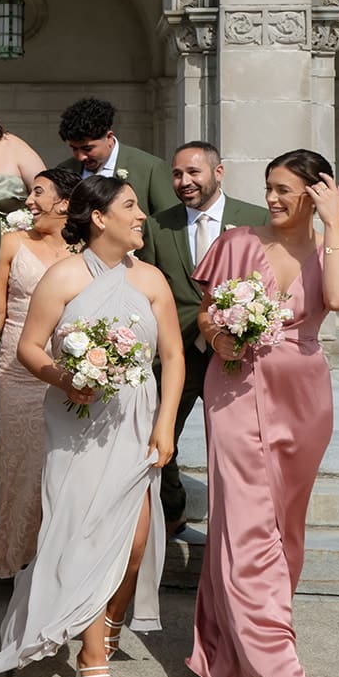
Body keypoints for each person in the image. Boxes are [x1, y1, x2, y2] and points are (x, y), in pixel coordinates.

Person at [0, 176, 183, 677]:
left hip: (137, 418)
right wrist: (65, 379)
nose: (141, 215)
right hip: (76, 421)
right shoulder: (63, 276)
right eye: (130, 207)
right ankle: (92, 657)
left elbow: (174, 356)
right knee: (86, 536)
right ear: (99, 218)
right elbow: (28, 346)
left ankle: (108, 618)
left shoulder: (153, 280)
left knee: (136, 543)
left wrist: (165, 425)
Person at [186, 151, 339, 677]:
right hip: (235, 387)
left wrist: (333, 224)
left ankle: (229, 648)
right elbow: (208, 315)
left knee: (283, 525)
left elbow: (336, 300)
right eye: (269, 188)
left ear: (316, 192)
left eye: (286, 189)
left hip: (304, 399)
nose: (274, 199)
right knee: (245, 516)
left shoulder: (337, 251)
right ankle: (284, 668)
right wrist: (222, 336)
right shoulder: (237, 241)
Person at [140, 142, 267, 536]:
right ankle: (171, 506)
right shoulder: (158, 225)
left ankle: (238, 528)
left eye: (193, 172)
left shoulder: (256, 220)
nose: (184, 181)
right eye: (177, 174)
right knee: (157, 434)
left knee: (235, 447)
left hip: (236, 355)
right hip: (176, 352)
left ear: (219, 172)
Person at [0, 166, 79, 578]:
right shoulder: (11, 243)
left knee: (59, 473)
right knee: (19, 469)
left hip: (70, 375)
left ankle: (54, 569)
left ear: (64, 203)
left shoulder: (84, 252)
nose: (28, 201)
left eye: (38, 193)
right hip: (16, 375)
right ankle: (17, 564)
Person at [58, 97, 174, 217]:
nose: (80, 157)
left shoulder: (150, 168)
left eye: (88, 149)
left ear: (109, 137)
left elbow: (168, 221)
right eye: (74, 149)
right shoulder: (65, 170)